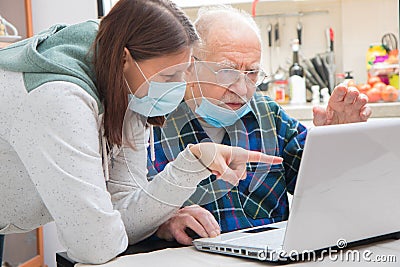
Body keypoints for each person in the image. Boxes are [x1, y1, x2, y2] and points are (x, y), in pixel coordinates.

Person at [0, 0, 282, 264]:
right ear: (125, 59)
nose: (180, 86)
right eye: (169, 77)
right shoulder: (60, 100)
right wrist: (115, 224)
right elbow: (96, 245)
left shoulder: (128, 88)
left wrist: (193, 163)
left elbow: (125, 215)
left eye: (184, 73)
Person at [147, 6, 372, 245]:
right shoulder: (151, 124)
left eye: (252, 73)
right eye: (227, 71)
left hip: (274, 256)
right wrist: (161, 221)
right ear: (189, 67)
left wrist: (337, 142)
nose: (242, 89)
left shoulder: (268, 114)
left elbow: (323, 189)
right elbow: (121, 211)